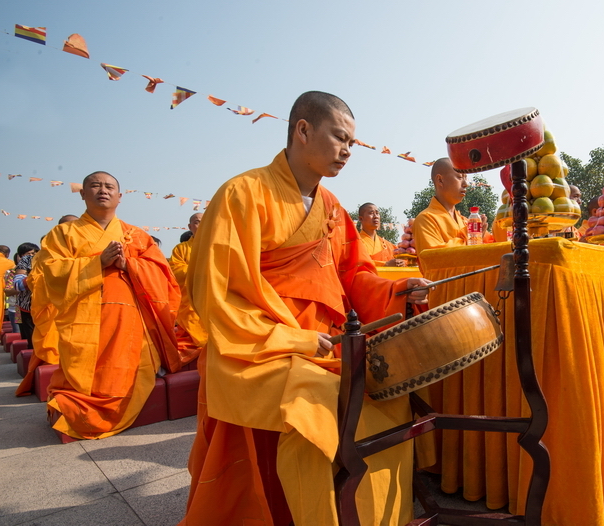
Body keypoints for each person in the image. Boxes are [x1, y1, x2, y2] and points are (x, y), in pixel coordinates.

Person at [180, 91, 431, 526]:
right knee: (313, 413)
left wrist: (398, 292)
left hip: (326, 345)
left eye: (353, 143)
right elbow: (217, 293)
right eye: (340, 138)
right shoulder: (243, 194)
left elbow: (354, 277)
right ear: (302, 130)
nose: (348, 152)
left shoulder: (332, 207)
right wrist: (291, 338)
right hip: (260, 348)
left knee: (389, 398)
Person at [30, 171, 185, 439]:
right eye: (95, 185)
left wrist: (130, 265)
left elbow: (162, 273)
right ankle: (87, 405)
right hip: (85, 320)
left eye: (109, 186)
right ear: (82, 193)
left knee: (133, 364)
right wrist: (96, 263)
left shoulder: (135, 235)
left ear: (120, 196)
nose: (103, 190)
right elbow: (48, 271)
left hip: (131, 317)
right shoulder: (63, 234)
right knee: (89, 371)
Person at [17, 217, 80, 397]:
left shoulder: (87, 247)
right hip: (40, 307)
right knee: (50, 344)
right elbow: (21, 284)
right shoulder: (37, 257)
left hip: (81, 304)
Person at [412, 157, 473, 255]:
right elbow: (436, 257)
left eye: (466, 178)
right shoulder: (426, 219)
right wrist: (468, 237)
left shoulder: (464, 221)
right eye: (459, 177)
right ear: (440, 180)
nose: (466, 184)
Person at [168, 213, 206, 363]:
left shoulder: (220, 245)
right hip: (190, 305)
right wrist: (201, 271)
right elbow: (175, 271)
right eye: (197, 222)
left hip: (215, 303)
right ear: (190, 227)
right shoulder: (181, 249)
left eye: (205, 221)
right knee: (190, 338)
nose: (201, 225)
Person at [13, 242, 40, 349]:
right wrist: (34, 278)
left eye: (36, 252)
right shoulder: (12, 271)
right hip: (23, 307)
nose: (33, 255)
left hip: (50, 307)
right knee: (29, 338)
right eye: (30, 254)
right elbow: (13, 288)